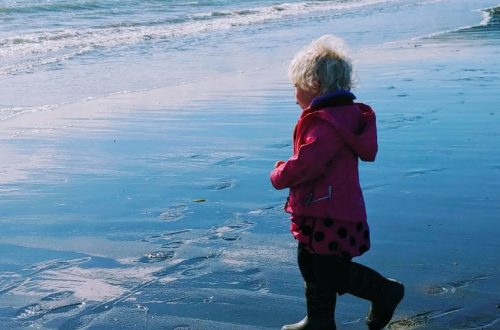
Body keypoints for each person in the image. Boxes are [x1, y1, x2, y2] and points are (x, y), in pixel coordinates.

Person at [270, 35, 404, 330]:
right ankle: (319, 320)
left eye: (296, 85)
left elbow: (309, 162)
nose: (293, 92)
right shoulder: (339, 118)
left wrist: (280, 174)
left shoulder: (326, 124)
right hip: (321, 208)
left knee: (330, 270)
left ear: (314, 85)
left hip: (330, 212)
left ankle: (384, 291)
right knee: (310, 263)